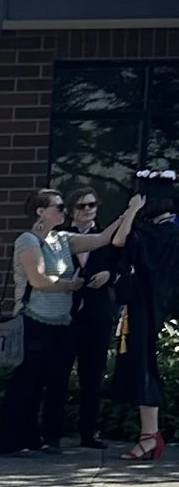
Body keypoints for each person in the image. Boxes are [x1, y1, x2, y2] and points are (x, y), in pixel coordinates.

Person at [0, 186, 78, 455]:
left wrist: (130, 212)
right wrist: (71, 285)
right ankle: (9, 442)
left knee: (39, 381)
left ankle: (30, 439)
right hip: (33, 319)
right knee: (25, 381)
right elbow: (38, 280)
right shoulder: (28, 240)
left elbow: (101, 239)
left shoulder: (60, 239)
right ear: (41, 211)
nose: (64, 211)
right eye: (59, 207)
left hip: (56, 322)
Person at [110, 168, 179, 466]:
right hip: (159, 307)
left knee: (144, 367)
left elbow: (118, 241)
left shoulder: (152, 233)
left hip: (144, 308)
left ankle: (150, 435)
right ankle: (149, 434)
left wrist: (132, 210)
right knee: (144, 367)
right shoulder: (171, 232)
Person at [67, 185, 142, 447]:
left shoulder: (107, 237)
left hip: (98, 310)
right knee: (58, 371)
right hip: (65, 311)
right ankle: (51, 431)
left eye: (92, 205)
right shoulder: (61, 237)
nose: (88, 210)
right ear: (71, 211)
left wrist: (109, 276)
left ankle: (89, 432)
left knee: (93, 373)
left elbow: (122, 265)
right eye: (82, 206)